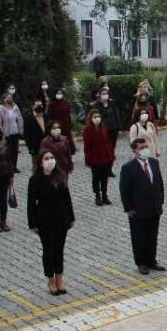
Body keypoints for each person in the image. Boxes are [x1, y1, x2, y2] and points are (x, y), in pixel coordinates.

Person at [27, 149, 75, 295]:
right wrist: (32, 223)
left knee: (59, 250)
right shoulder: (35, 179)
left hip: (61, 219)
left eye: (52, 157)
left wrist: (71, 217)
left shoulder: (60, 176)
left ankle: (60, 279)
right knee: (48, 251)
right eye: (47, 158)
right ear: (41, 162)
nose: (50, 160)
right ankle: (51, 280)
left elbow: (67, 198)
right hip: (45, 220)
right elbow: (31, 202)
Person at [119, 138, 166, 274]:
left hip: (154, 207)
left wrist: (161, 200)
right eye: (141, 148)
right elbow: (124, 190)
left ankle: (151, 260)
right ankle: (141, 263)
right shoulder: (128, 168)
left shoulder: (154, 162)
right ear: (135, 151)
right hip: (138, 210)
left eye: (146, 146)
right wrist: (128, 208)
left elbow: (159, 183)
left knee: (152, 236)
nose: (145, 149)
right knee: (139, 237)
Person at [83, 109, 115, 205]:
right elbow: (87, 146)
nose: (97, 118)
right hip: (95, 158)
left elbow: (109, 142)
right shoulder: (87, 130)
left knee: (105, 177)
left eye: (99, 117)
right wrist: (88, 160)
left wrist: (111, 156)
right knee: (96, 178)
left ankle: (105, 195)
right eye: (95, 117)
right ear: (91, 118)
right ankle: (97, 196)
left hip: (105, 157)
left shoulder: (104, 127)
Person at [90, 87, 120, 171]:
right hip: (103, 130)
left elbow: (116, 114)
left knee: (111, 150)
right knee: (104, 149)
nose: (105, 95)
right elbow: (95, 117)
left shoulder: (112, 103)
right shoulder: (96, 105)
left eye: (106, 94)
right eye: (103, 94)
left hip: (113, 129)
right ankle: (103, 167)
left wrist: (118, 126)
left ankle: (109, 169)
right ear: (99, 95)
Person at [0, 91, 24, 173]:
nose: (9, 99)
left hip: (15, 132)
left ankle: (14, 166)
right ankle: (8, 167)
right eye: (7, 97)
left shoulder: (15, 107)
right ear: (3, 99)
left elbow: (20, 118)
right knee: (8, 151)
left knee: (15, 150)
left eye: (10, 97)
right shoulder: (0, 109)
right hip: (6, 134)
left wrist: (21, 130)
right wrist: (1, 134)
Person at [23, 100, 49, 172]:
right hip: (35, 147)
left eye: (41, 105)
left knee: (47, 165)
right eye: (37, 105)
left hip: (47, 145)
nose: (39, 107)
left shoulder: (46, 116)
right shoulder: (28, 118)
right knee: (36, 167)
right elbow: (26, 134)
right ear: (33, 107)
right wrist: (30, 147)